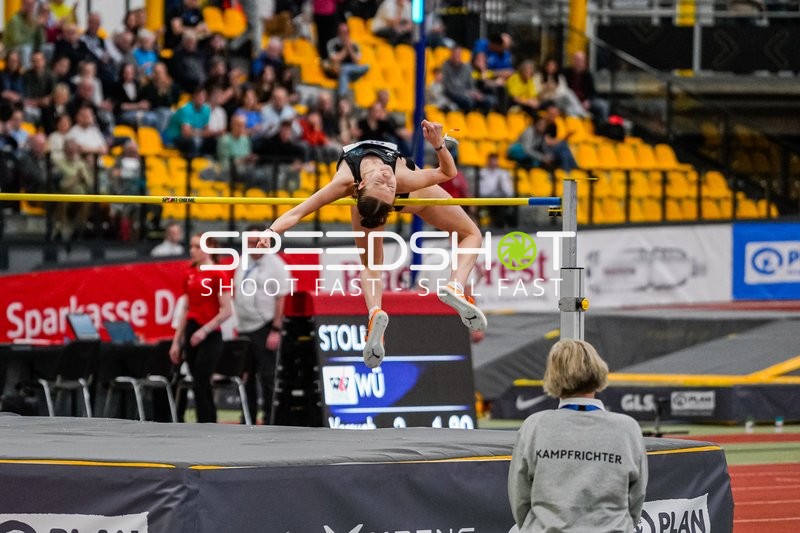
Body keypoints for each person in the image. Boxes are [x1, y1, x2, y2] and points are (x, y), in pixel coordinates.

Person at [258, 120, 487, 368]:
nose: (388, 179)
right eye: (387, 185)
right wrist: (439, 145)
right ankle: (454, 284)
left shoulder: (368, 181)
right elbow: (447, 172)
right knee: (470, 233)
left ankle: (375, 312)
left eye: (389, 185)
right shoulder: (391, 178)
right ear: (362, 185)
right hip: (386, 203)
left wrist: (273, 230)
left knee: (371, 266)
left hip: (382, 200)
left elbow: (299, 212)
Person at [508, 339, 648, 532]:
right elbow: (636, 499)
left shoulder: (534, 426)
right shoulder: (628, 429)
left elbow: (520, 498)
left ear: (553, 376)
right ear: (598, 371)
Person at [169, 233, 232, 423]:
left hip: (210, 333)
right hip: (192, 329)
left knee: (200, 382)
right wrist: (176, 342)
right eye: (191, 246)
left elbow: (227, 310)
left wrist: (205, 330)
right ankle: (207, 423)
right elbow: (185, 309)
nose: (192, 250)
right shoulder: (189, 273)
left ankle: (206, 423)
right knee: (199, 385)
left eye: (198, 246)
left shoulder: (218, 273)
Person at [233, 227, 289, 425]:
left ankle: (269, 418)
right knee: (245, 377)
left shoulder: (275, 265)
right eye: (249, 242)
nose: (252, 246)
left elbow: (281, 297)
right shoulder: (243, 260)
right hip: (244, 327)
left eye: (256, 241)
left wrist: (275, 328)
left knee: (267, 376)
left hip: (264, 326)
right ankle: (247, 418)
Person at [478, 153, 516, 228]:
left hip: (501, 200)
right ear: (488, 161)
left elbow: (509, 192)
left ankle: (502, 227)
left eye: (495, 160)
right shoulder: (482, 173)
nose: (494, 162)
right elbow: (482, 191)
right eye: (492, 160)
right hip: (486, 199)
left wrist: (501, 183)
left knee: (504, 209)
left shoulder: (503, 173)